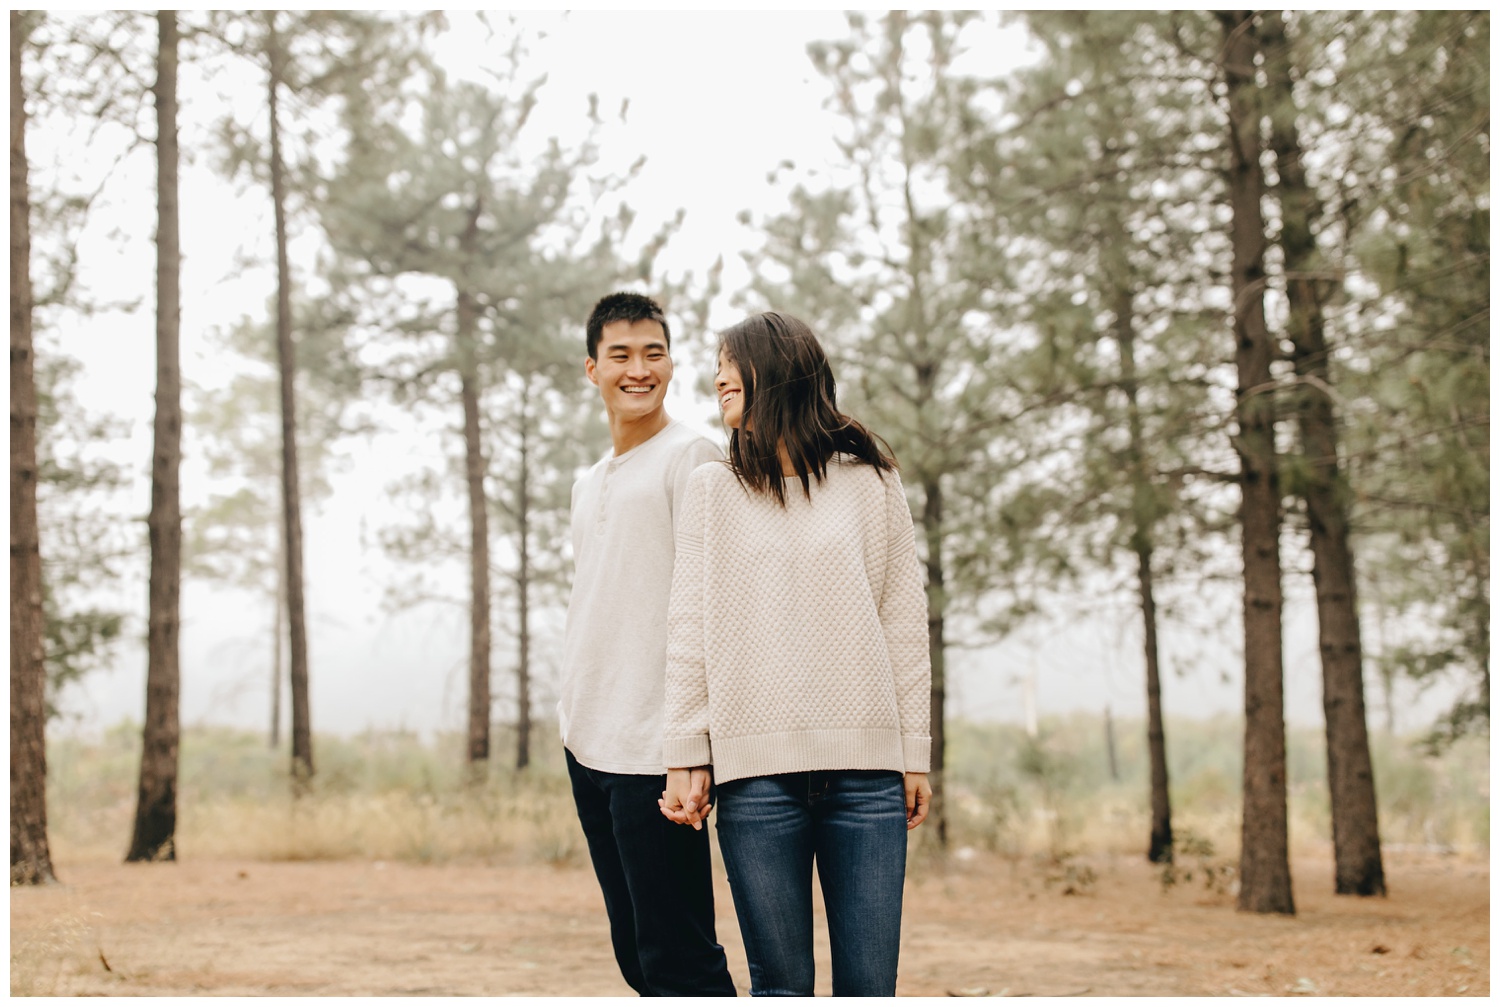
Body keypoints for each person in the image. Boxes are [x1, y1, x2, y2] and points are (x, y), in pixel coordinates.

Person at [659, 310, 932, 997]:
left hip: (867, 777)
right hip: (755, 781)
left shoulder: (871, 482)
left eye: (732, 362)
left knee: (870, 987)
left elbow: (903, 619)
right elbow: (689, 623)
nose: (718, 376)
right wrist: (686, 750)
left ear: (777, 371)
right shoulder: (711, 489)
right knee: (780, 985)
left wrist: (914, 752)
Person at [557, 291, 736, 997]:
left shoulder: (692, 456)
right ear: (592, 369)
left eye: (653, 352)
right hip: (589, 741)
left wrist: (691, 746)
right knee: (636, 951)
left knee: (678, 956)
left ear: (671, 362)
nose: (640, 368)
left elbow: (713, 603)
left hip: (656, 748)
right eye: (621, 354)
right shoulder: (588, 482)